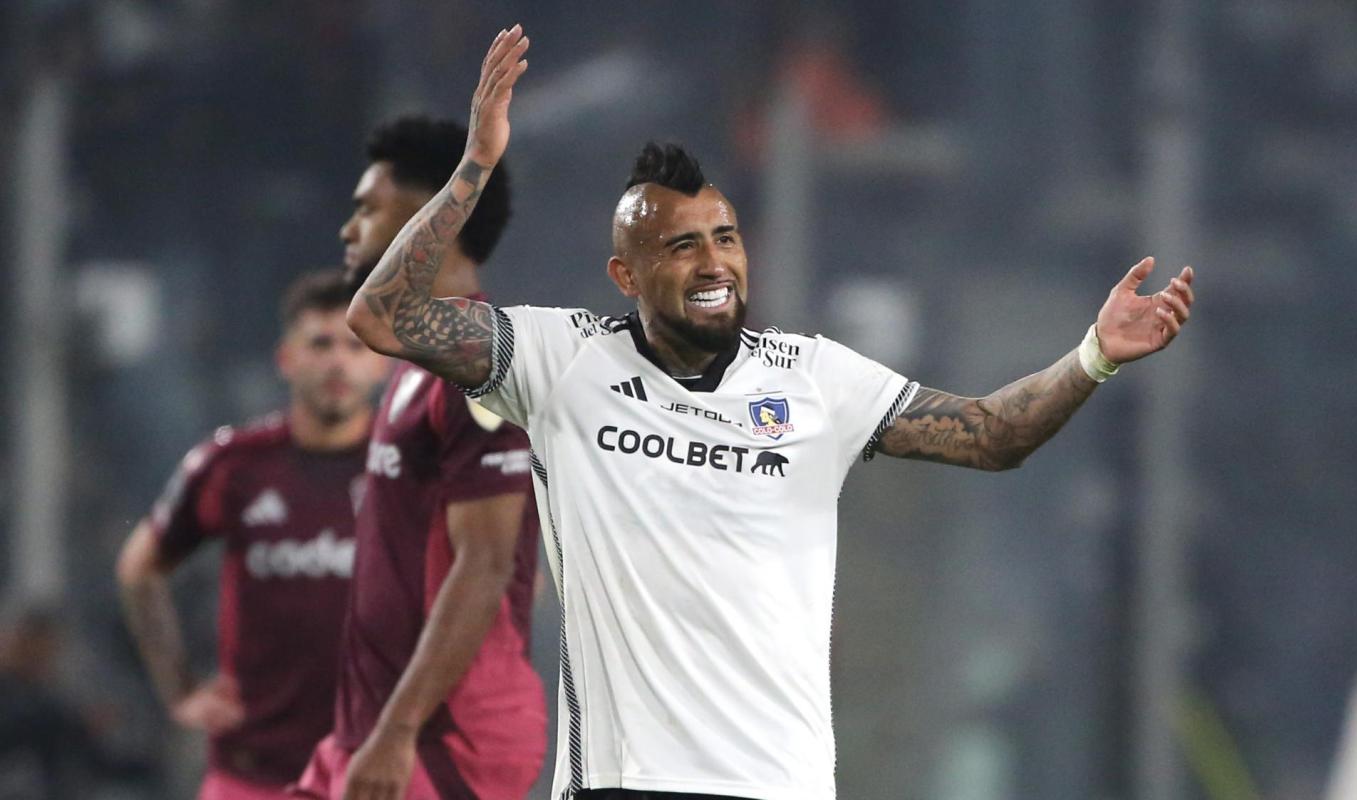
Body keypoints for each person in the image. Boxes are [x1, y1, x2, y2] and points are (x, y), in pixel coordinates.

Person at [347, 25, 1197, 800]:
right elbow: (384, 317)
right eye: (681, 245)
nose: (713, 262)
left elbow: (992, 435)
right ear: (626, 276)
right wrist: (474, 167)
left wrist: (1092, 355)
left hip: (779, 786)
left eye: (725, 238)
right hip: (624, 781)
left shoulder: (813, 376)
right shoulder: (561, 358)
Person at [294, 116, 545, 800]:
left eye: (368, 209)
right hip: (374, 733)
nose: (348, 229)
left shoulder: (481, 367)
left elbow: (487, 562)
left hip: (441, 740)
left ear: (433, 217)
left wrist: (399, 730)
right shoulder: (411, 368)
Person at [116, 269, 388, 799]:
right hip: (255, 770)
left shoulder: (409, 467)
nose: (338, 361)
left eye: (355, 346)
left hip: (380, 770)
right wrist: (180, 690)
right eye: (321, 344)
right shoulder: (234, 464)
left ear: (380, 364)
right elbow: (139, 567)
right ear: (287, 358)